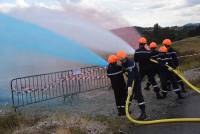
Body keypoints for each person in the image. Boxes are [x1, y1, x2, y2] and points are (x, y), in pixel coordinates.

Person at [116, 51, 147, 120]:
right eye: (121, 60)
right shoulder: (124, 63)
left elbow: (131, 76)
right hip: (131, 82)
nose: (122, 61)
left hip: (136, 81)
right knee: (128, 96)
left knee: (139, 96)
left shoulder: (130, 63)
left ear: (125, 58)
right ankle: (126, 109)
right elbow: (124, 71)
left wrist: (129, 86)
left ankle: (144, 113)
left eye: (122, 60)